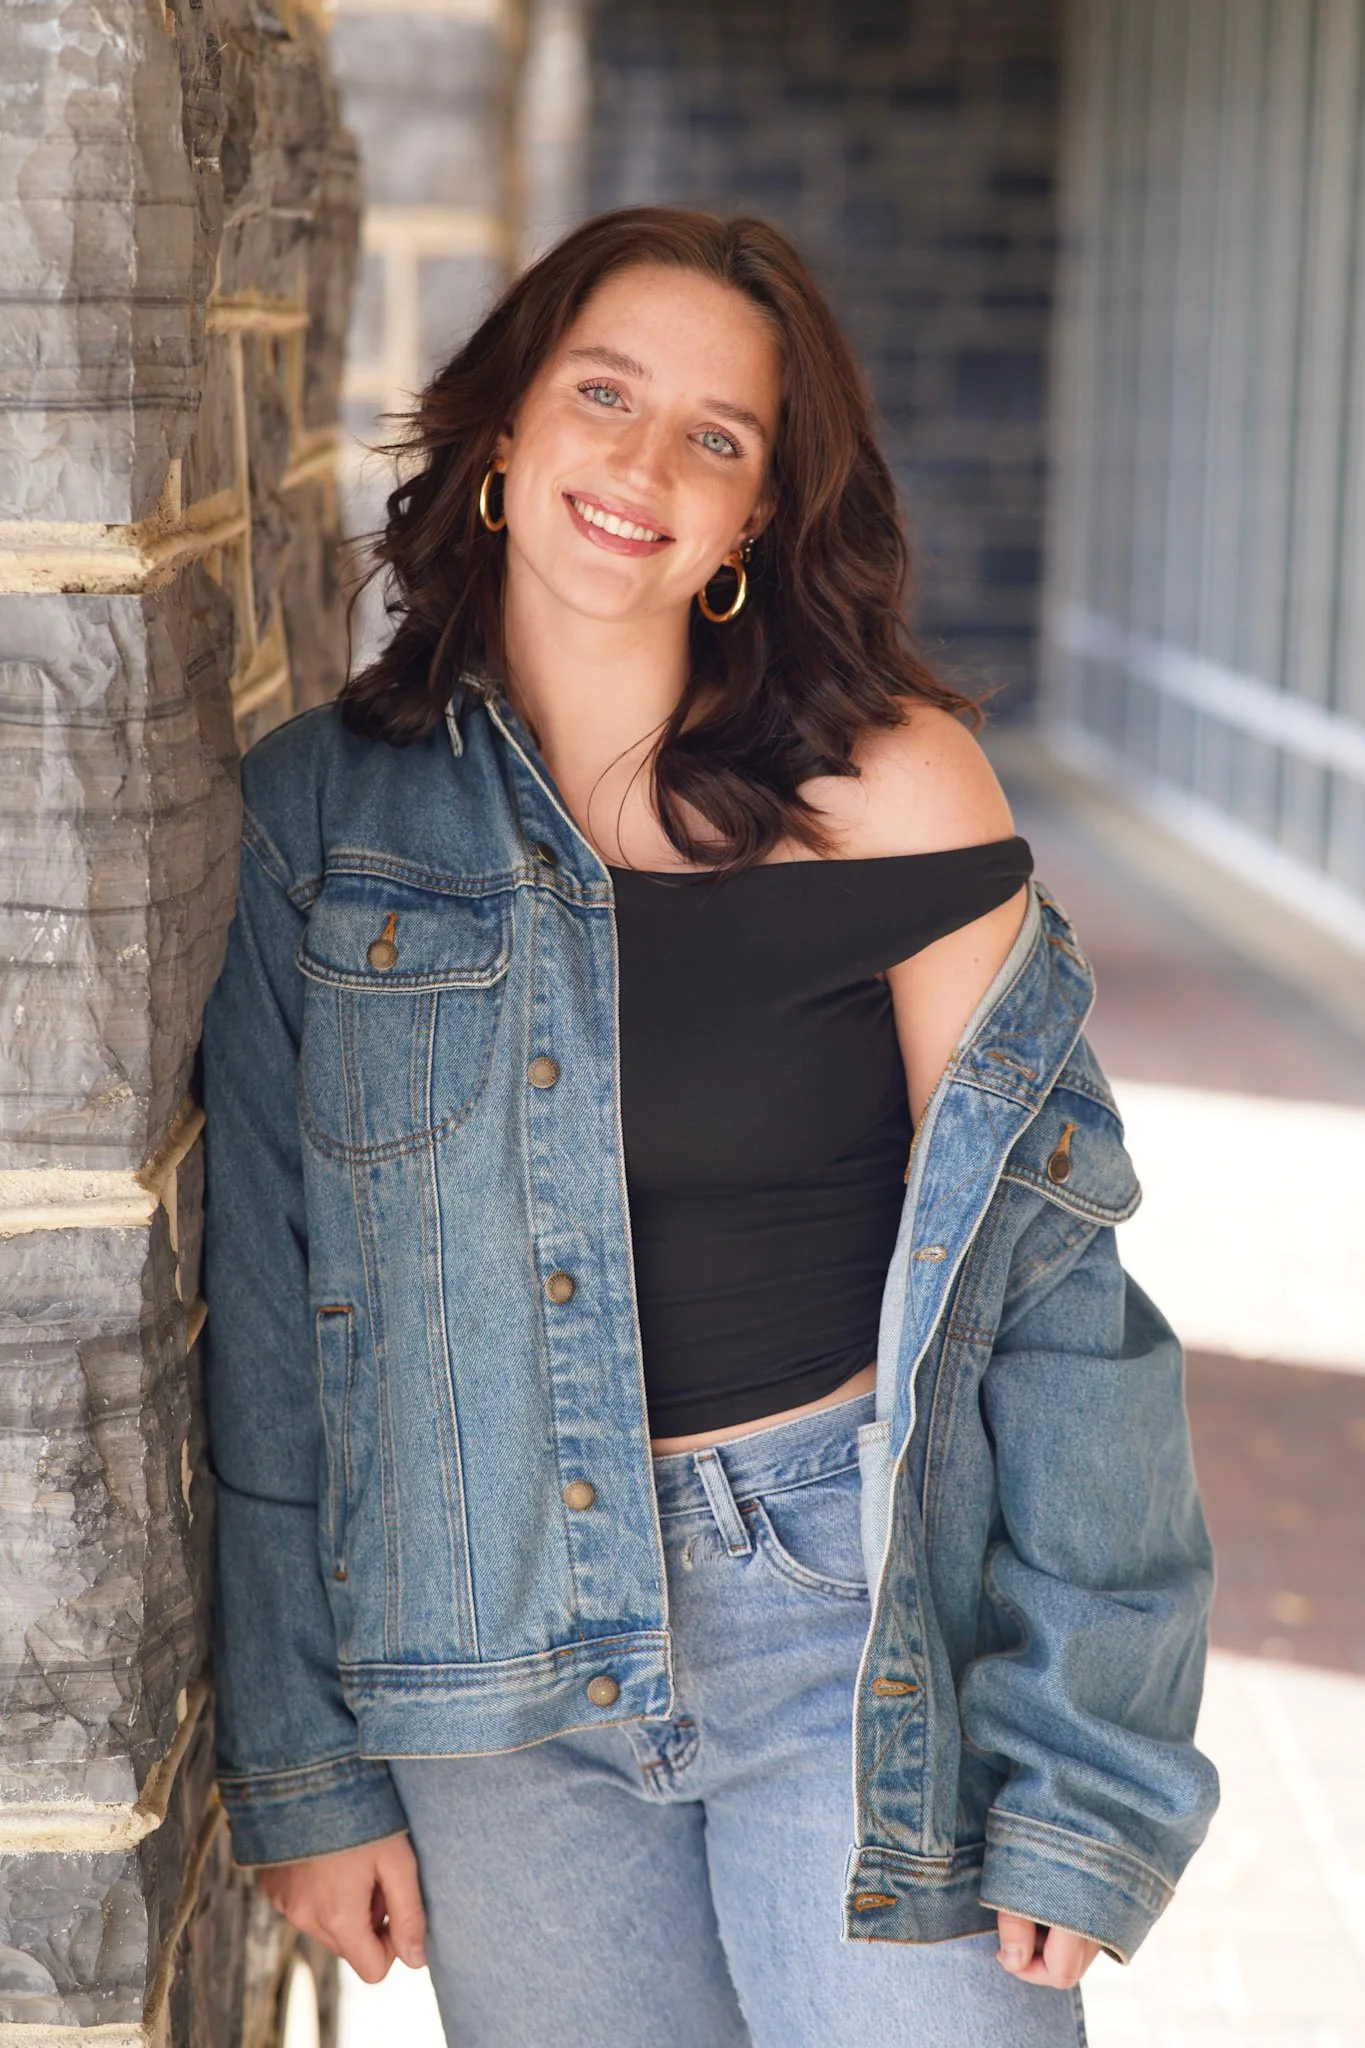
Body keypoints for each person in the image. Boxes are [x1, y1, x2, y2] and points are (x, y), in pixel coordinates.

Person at [200, 207, 1218, 2046]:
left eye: (718, 436)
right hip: (482, 1667)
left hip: (839, 1622)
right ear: (506, 428)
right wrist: (308, 1763)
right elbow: (279, 1329)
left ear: (755, 518)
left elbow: (1061, 1294)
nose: (645, 463)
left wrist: (1090, 1768)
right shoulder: (323, 818)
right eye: (605, 393)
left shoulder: (894, 793)